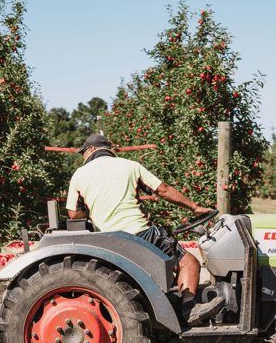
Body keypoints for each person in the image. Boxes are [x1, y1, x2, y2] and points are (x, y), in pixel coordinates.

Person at [66, 134, 225, 326]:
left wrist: (93, 209)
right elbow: (163, 190)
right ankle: (190, 308)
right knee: (189, 263)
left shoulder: (79, 175)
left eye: (83, 152)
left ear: (91, 150)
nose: (83, 157)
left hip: (109, 241)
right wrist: (195, 208)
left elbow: (73, 214)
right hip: (140, 234)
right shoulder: (129, 166)